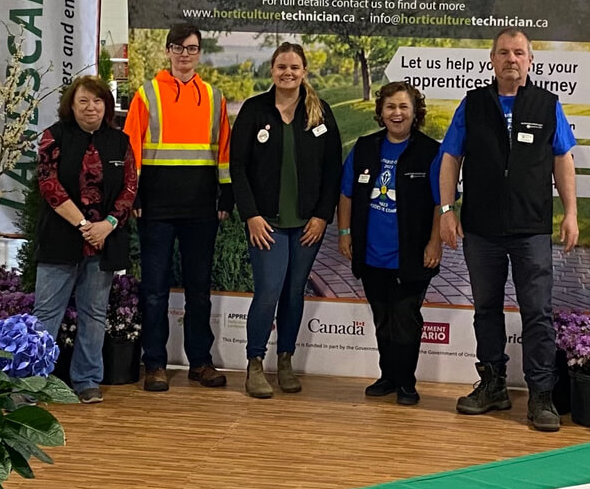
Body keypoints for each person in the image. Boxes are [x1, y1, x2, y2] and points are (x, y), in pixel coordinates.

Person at [439, 27, 580, 432]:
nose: (511, 59)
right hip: (480, 229)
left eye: (519, 53)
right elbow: (450, 158)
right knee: (486, 309)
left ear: (530, 61)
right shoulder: (472, 105)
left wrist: (570, 213)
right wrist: (447, 210)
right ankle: (493, 386)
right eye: (503, 53)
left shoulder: (546, 105)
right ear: (492, 60)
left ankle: (540, 396)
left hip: (531, 228)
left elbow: (563, 161)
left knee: (537, 313)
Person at [123, 23, 233, 393]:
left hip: (201, 208)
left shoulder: (214, 97)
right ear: (168, 51)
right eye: (178, 48)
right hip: (155, 208)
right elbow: (130, 150)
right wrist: (132, 194)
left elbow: (223, 152)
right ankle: (154, 363)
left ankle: (200, 363)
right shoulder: (147, 94)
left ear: (199, 52)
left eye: (192, 48)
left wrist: (226, 194)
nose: (185, 54)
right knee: (154, 289)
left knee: (199, 290)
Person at [231, 43, 341, 398]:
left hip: (307, 224)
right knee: (268, 291)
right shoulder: (254, 110)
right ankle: (254, 364)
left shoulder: (320, 112)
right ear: (272, 70)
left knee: (295, 292)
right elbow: (238, 167)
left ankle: (286, 361)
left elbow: (332, 170)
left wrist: (323, 216)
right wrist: (250, 215)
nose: (288, 72)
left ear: (304, 71)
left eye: (294, 67)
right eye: (281, 66)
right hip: (267, 223)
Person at [336, 81, 443, 406]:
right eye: (390, 107)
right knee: (382, 318)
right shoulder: (365, 147)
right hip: (370, 254)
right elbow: (346, 193)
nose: (397, 114)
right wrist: (344, 233)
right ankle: (388, 377)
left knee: (405, 319)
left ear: (415, 112)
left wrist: (435, 243)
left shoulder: (430, 151)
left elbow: (442, 202)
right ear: (381, 113)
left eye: (403, 107)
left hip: (412, 255)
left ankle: (407, 383)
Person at [33, 75, 137, 404]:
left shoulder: (120, 142)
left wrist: (107, 224)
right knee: (46, 314)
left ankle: (87, 379)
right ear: (71, 105)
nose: (91, 107)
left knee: (94, 313)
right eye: (83, 101)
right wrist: (83, 224)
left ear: (106, 105)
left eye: (97, 101)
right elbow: (49, 186)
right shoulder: (54, 137)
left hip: (105, 240)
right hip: (61, 238)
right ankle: (32, 383)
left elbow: (130, 187)